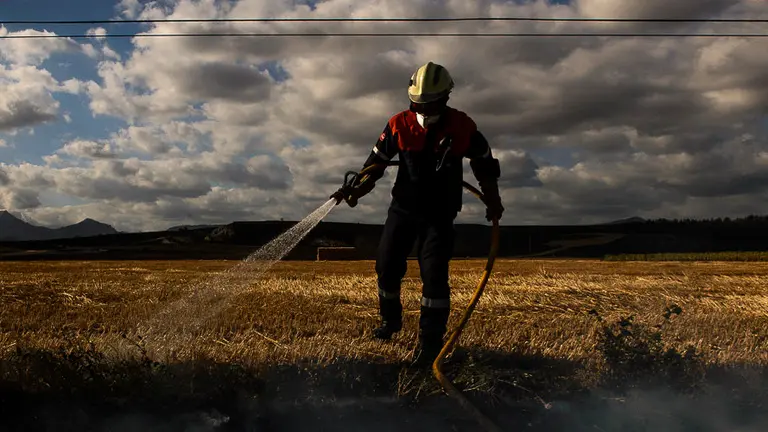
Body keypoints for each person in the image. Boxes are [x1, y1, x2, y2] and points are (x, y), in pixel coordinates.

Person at [331, 61, 504, 367]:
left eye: (430, 103)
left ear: (445, 97)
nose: (423, 109)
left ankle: (430, 343)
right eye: (417, 103)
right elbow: (374, 166)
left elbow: (484, 165)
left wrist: (493, 199)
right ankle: (390, 321)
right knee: (386, 265)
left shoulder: (463, 126)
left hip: (440, 214)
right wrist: (355, 191)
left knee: (434, 274)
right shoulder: (398, 125)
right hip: (403, 210)